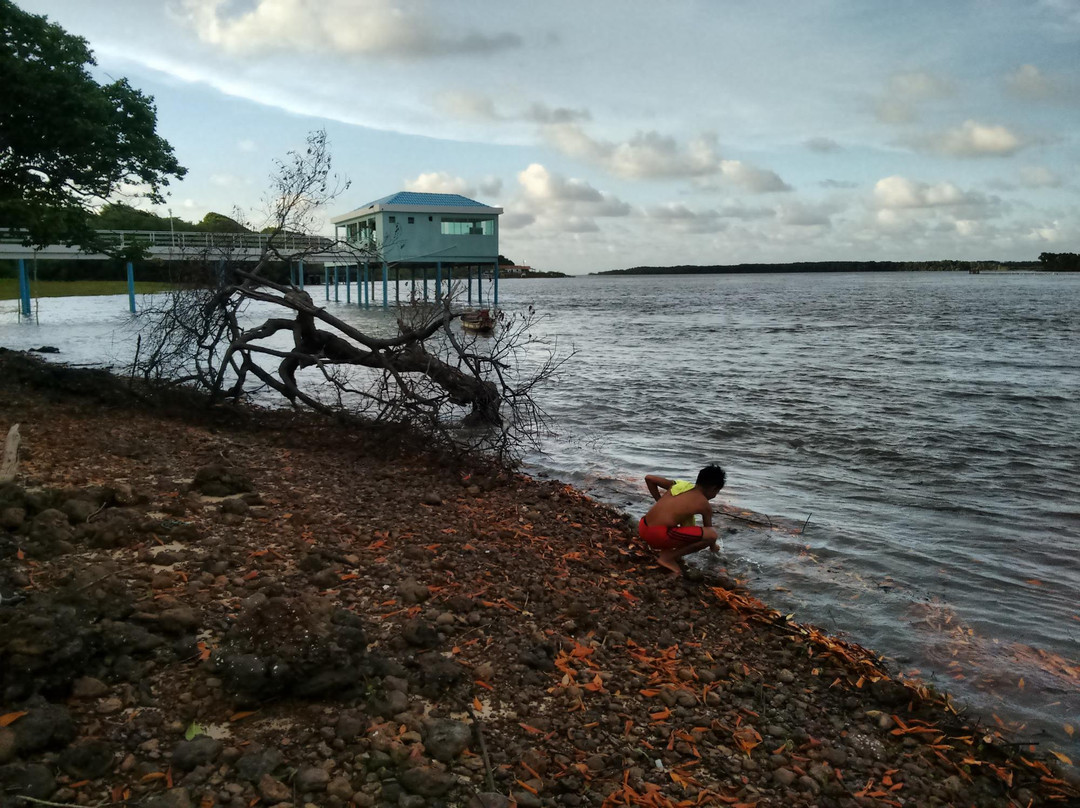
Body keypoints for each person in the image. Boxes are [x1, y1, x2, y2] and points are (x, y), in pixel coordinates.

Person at [638, 464, 726, 574]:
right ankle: (668, 557)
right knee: (712, 535)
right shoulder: (704, 504)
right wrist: (714, 549)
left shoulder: (678, 486)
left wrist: (659, 501)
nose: (715, 495)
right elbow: (709, 532)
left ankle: (668, 551)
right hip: (656, 535)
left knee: (680, 529)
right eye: (716, 492)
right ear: (714, 488)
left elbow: (649, 478)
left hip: (642, 526)